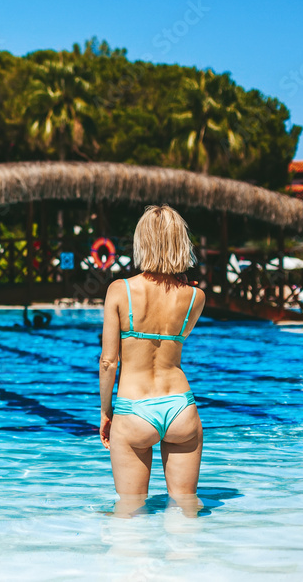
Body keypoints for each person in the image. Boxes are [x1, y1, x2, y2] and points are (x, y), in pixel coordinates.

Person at [99, 205, 207, 518]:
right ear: (180, 242)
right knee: (186, 507)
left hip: (134, 407)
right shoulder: (194, 297)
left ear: (142, 241)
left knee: (130, 512)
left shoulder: (120, 291)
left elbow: (108, 362)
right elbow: (172, 339)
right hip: (180, 407)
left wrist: (106, 412)